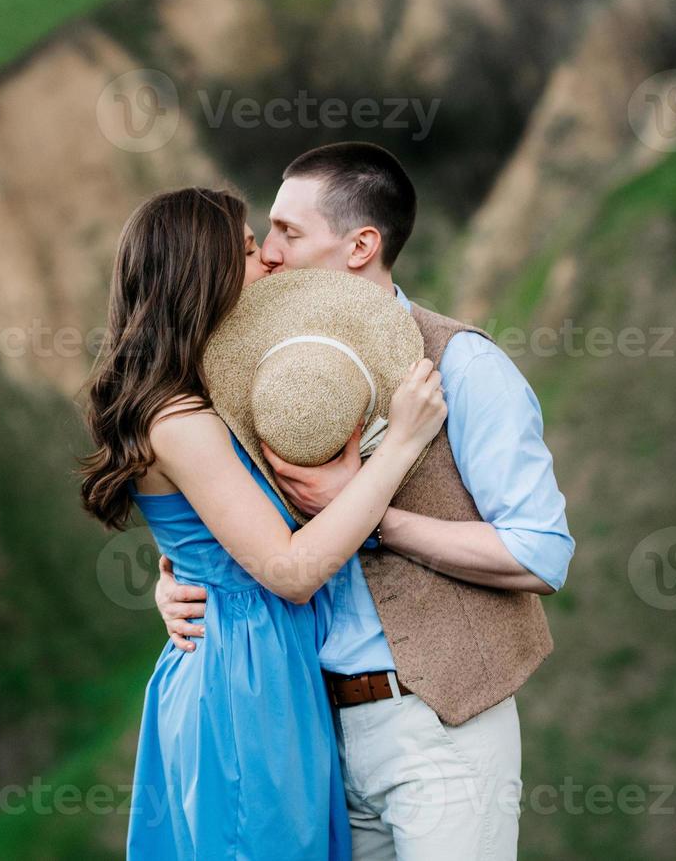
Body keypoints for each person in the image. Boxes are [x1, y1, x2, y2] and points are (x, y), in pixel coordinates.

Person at [155, 144, 575, 860]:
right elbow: (234, 525)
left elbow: (541, 553)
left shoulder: (464, 365)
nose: (272, 255)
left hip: (442, 727)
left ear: (361, 246)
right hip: (310, 734)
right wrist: (175, 583)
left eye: (288, 233)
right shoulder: (251, 371)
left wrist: (376, 519)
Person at [80, 186, 447, 860]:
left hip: (264, 666)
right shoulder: (180, 421)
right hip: (242, 683)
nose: (269, 262)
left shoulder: (209, 396)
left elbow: (217, 543)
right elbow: (291, 571)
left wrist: (177, 577)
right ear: (207, 275)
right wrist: (398, 450)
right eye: (249, 251)